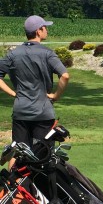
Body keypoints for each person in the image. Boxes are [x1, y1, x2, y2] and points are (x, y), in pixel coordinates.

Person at [0, 15, 70, 168]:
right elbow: (64, 76)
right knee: (42, 156)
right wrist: (56, 96)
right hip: (43, 113)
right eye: (45, 28)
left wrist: (12, 93)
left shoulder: (14, 54)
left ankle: (12, 188)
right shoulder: (47, 53)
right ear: (39, 31)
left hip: (21, 111)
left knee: (18, 152)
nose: (47, 30)